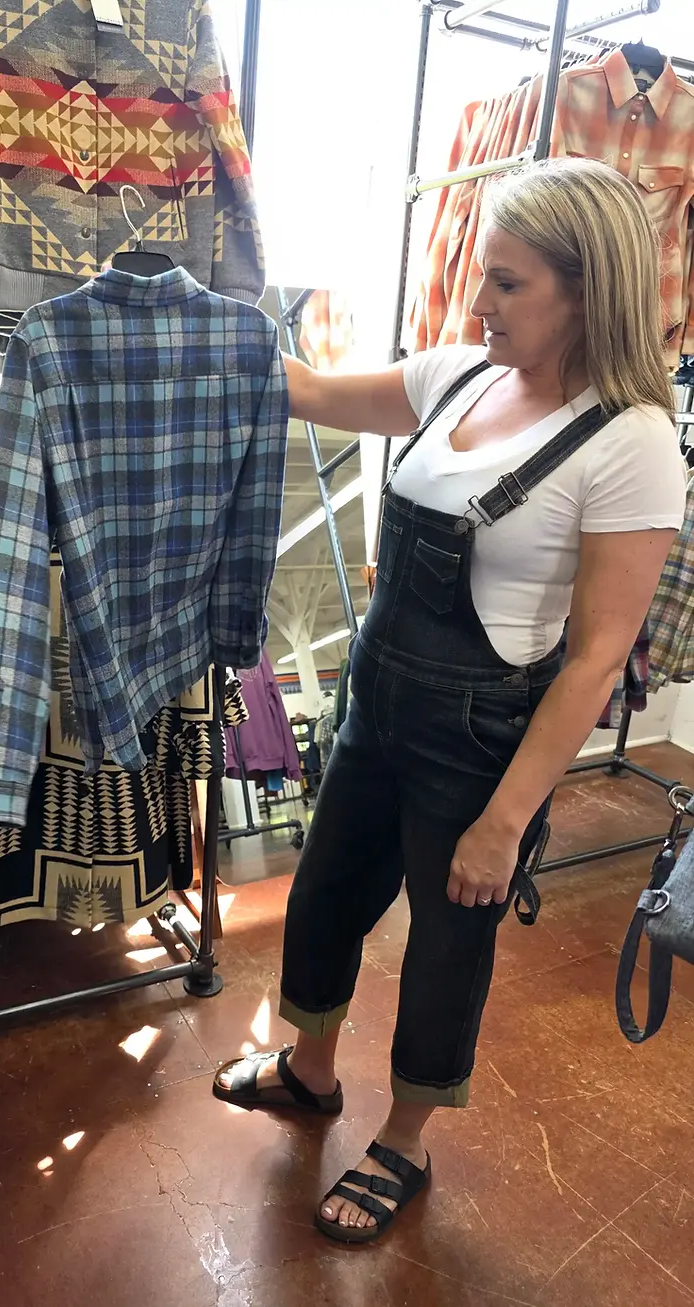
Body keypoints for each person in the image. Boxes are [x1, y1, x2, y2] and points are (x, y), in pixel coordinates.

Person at [213, 157, 688, 1244]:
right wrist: (198, 325)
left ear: (585, 289)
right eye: (482, 276)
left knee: (444, 942)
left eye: (507, 283)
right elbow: (309, 390)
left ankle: (406, 1138)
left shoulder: (631, 442)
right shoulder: (457, 378)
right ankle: (311, 1067)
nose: (478, 303)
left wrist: (504, 819)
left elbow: (595, 654)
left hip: (480, 739)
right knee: (327, 891)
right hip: (375, 699)